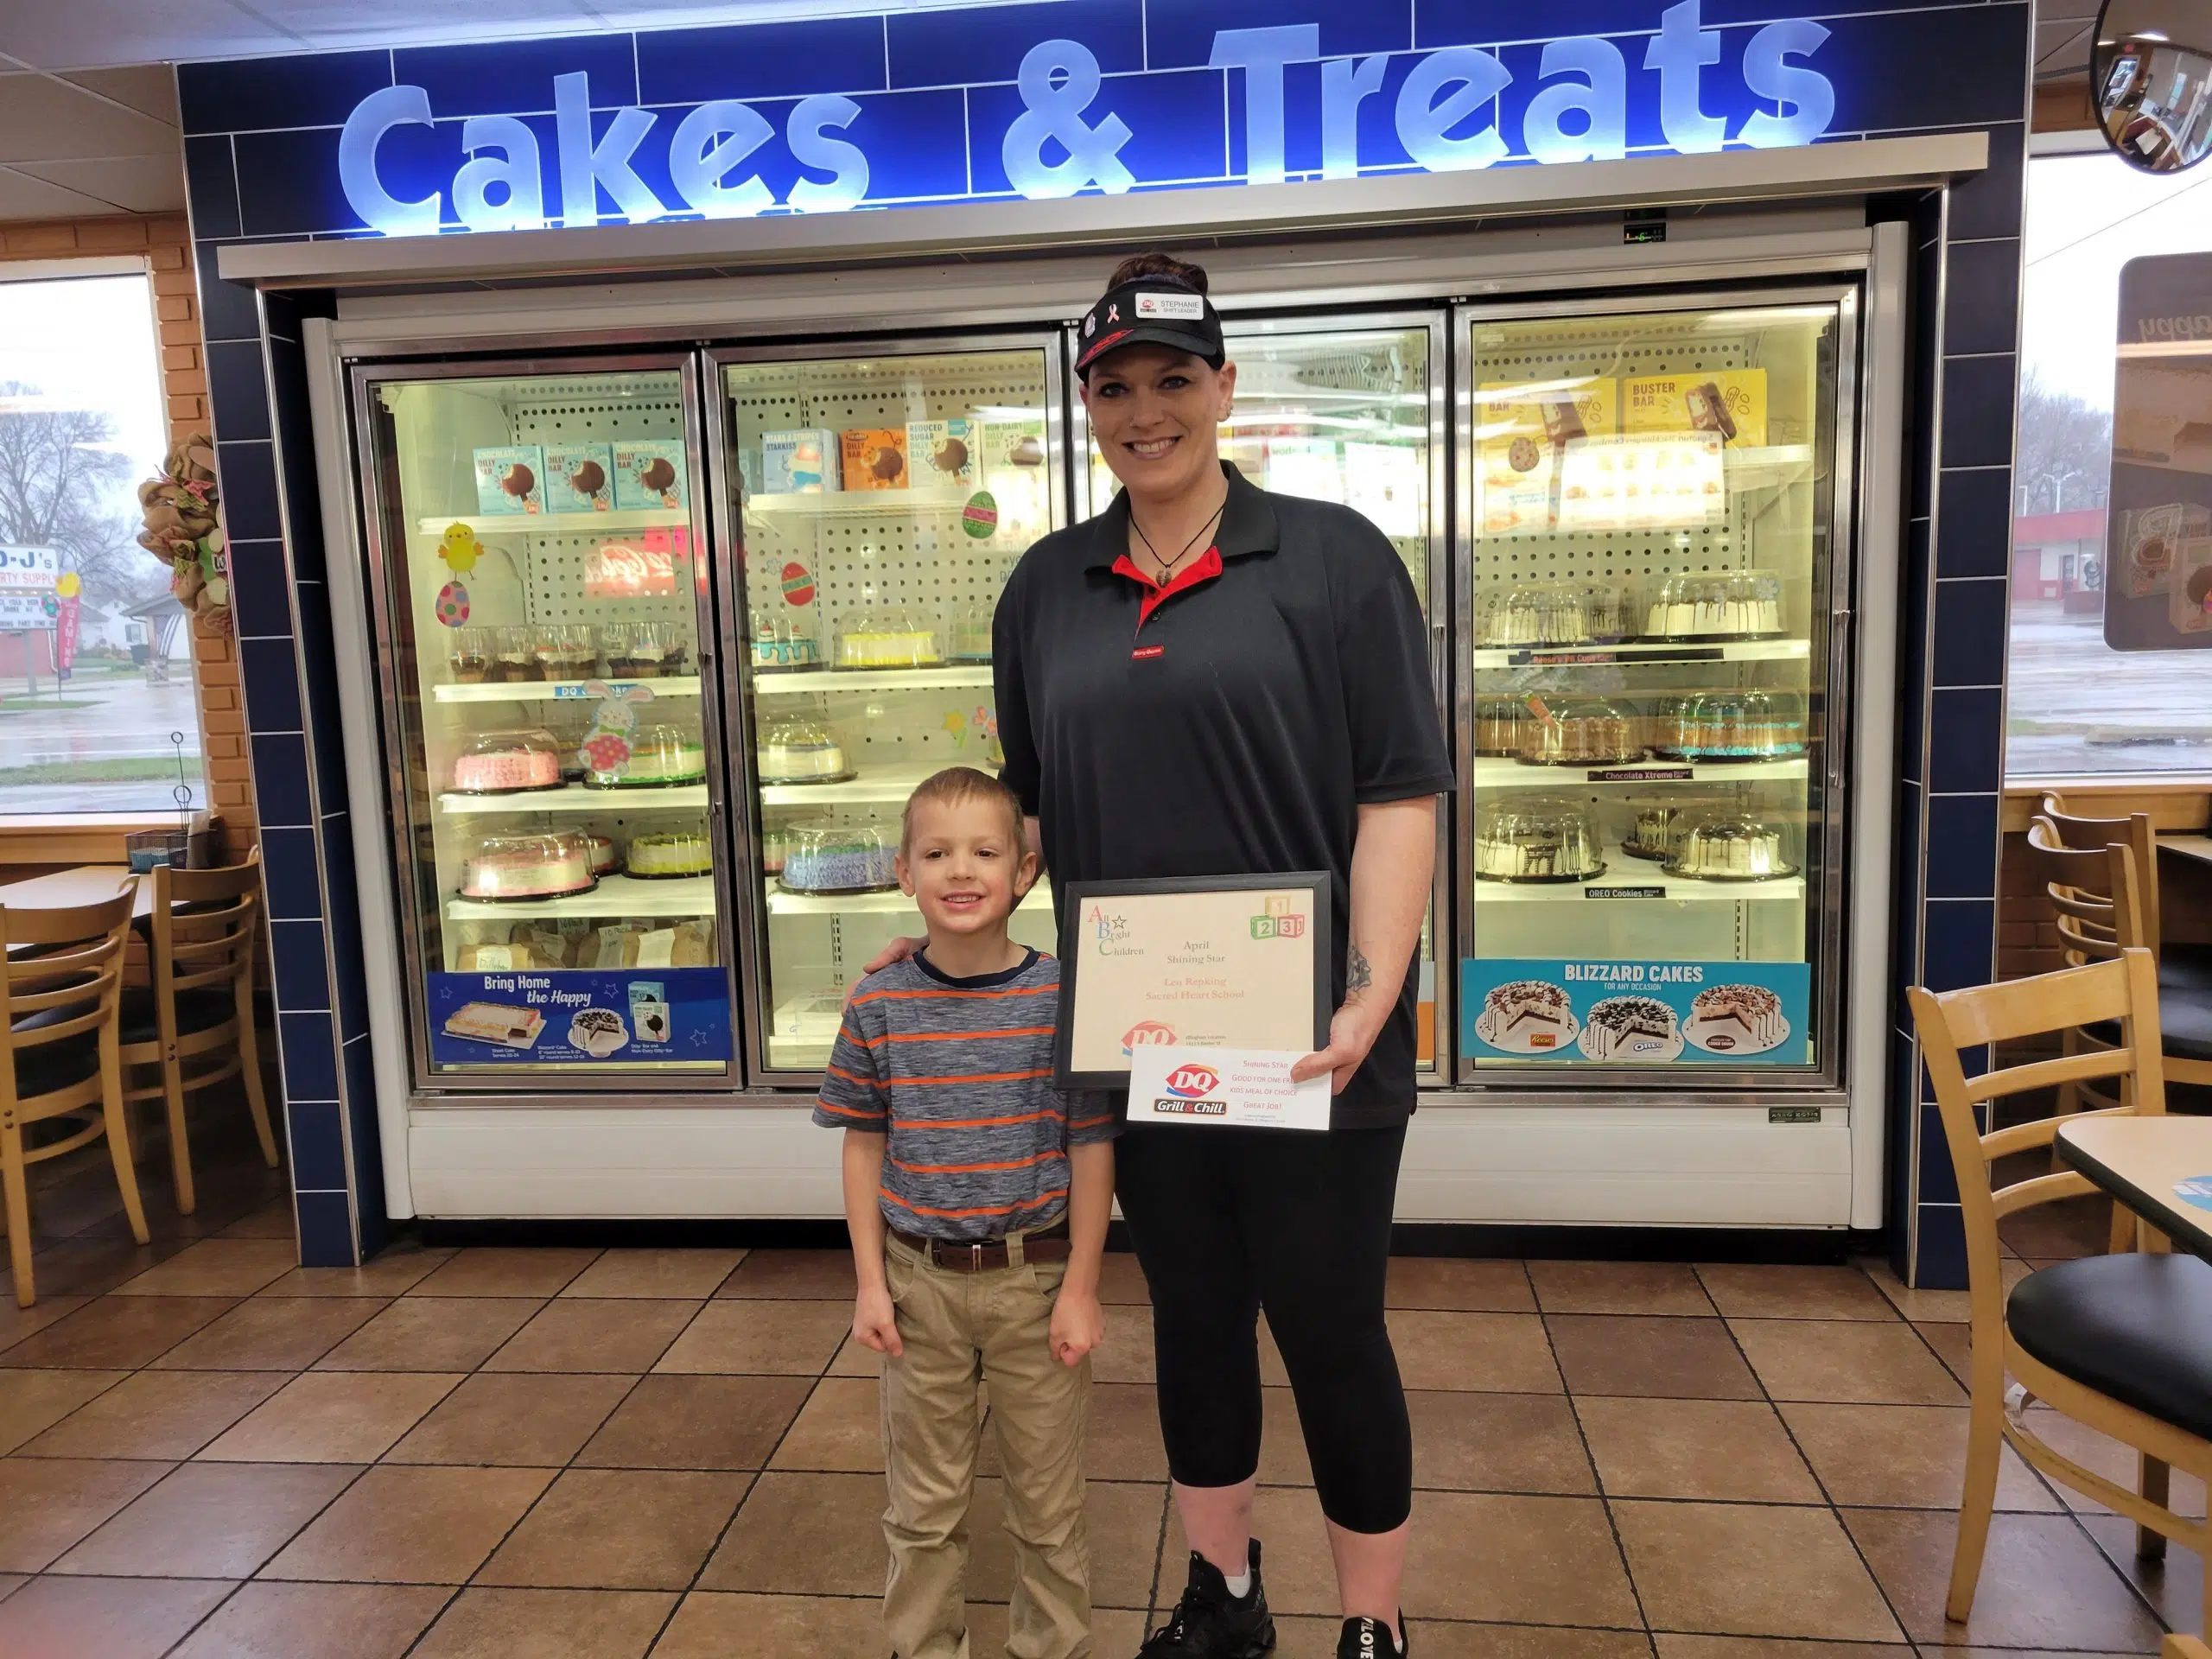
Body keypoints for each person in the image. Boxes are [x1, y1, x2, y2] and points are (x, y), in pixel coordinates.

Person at [871, 253, 1452, 1658]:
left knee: (1329, 1329)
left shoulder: (1336, 559)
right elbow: (1028, 820)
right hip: (1142, 1043)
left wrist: (1372, 994)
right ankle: (1223, 1593)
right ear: (1088, 405)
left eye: (1174, 380)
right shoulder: (1044, 590)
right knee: (1194, 1320)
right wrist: (956, 936)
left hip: (1314, 1043)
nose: (1146, 412)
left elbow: (1399, 796)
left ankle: (1371, 1625)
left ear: (1224, 388)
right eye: (1116, 387)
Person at [817, 766, 1119, 1659]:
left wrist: (1083, 1288)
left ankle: (1051, 1647)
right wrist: (869, 1284)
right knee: (921, 1509)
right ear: (904, 873)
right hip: (918, 1288)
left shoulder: (1065, 997)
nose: (960, 871)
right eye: (937, 853)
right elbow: (862, 1146)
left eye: (985, 853)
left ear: (1023, 872)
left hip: (1037, 1284)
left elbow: (1091, 1148)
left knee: (1049, 1509)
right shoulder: (878, 1002)